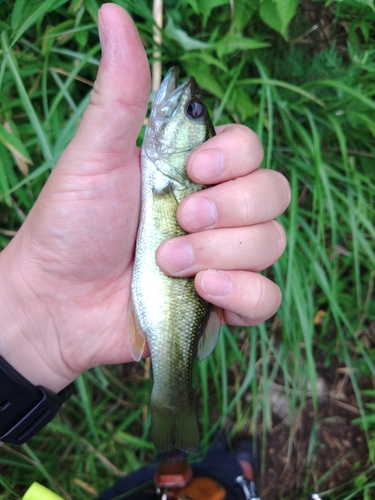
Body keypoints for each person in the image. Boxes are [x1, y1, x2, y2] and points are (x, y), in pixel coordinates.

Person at [0, 2, 290, 497]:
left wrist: (31, 318)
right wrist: (30, 308)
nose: (184, 103)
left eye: (191, 111)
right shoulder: (161, 173)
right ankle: (227, 466)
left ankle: (202, 442)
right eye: (192, 109)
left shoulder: (174, 176)